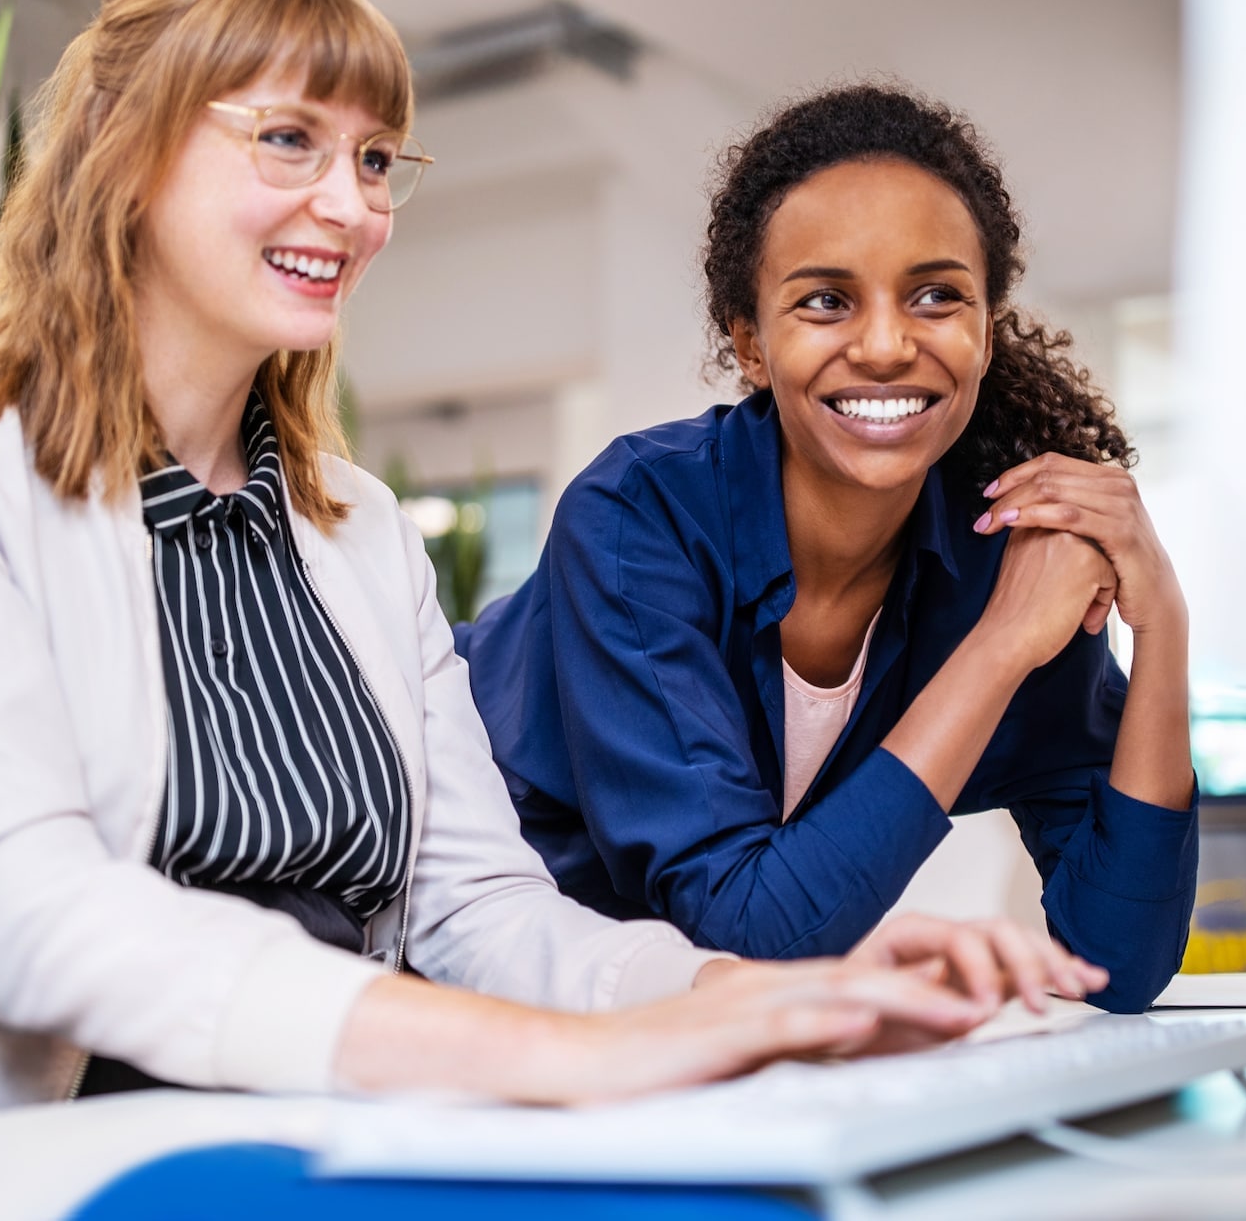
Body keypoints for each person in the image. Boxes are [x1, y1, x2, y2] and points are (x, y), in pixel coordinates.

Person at [0, 0, 1102, 1121]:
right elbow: (32, 916)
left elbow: (479, 907)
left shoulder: (355, 529)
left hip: (323, 1115)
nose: (355, 206)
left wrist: (761, 995)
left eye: (374, 160)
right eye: (291, 140)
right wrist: (531, 1055)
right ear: (129, 153)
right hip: (18, 1154)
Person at [458, 85, 1197, 1012]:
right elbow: (749, 928)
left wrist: (1161, 616)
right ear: (753, 347)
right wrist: (1001, 647)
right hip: (438, 938)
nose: (886, 345)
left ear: (984, 330)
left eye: (936, 296)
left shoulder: (998, 555)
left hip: (667, 1017)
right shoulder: (638, 515)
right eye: (825, 301)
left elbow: (1119, 961)